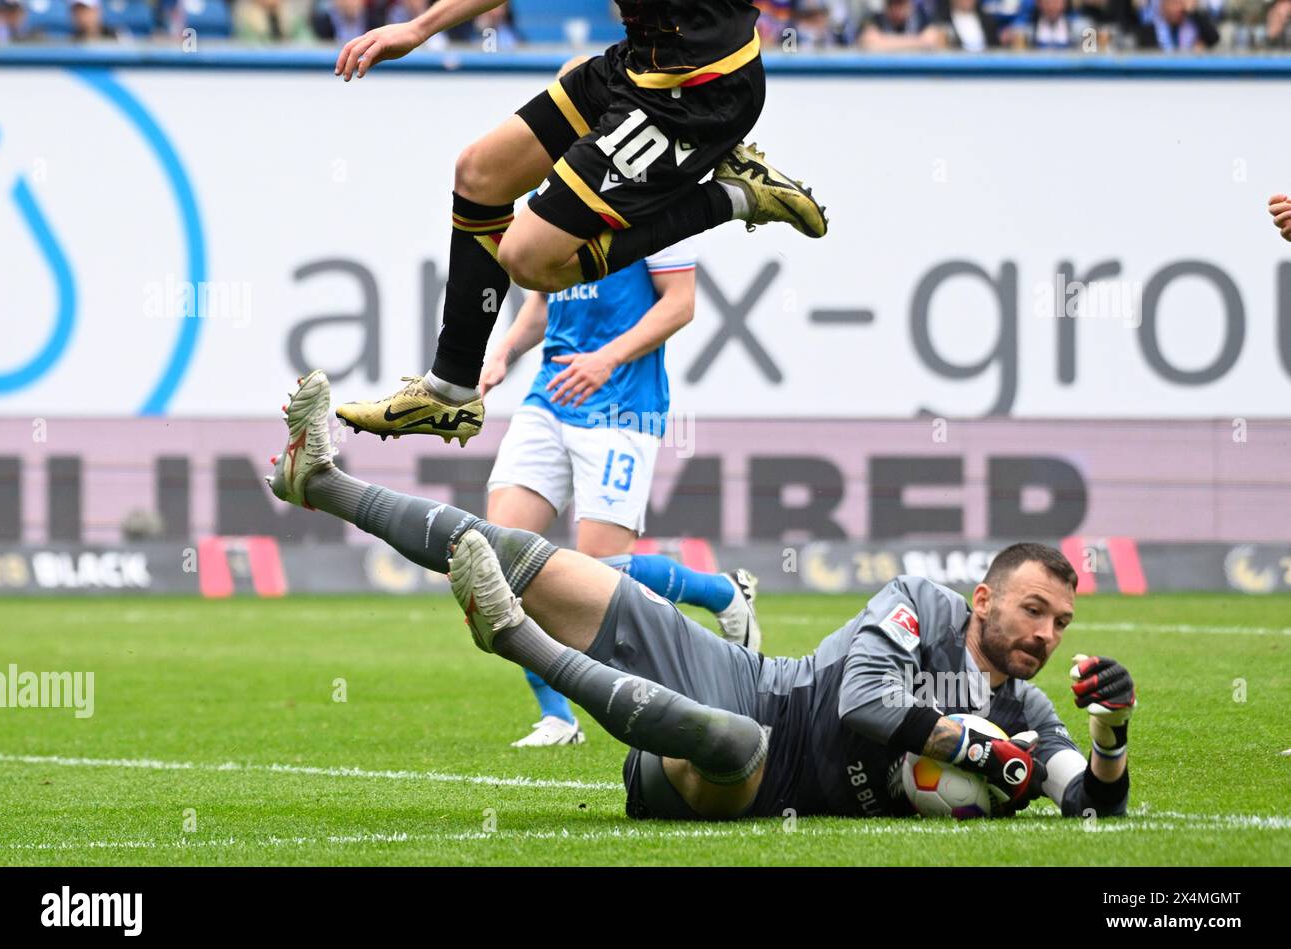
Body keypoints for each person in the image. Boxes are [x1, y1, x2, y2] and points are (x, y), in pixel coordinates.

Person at [267, 371, 1137, 820]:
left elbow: (1088, 803)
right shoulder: (924, 601)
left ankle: (510, 638)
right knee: (528, 553)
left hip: (757, 778)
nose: (1046, 634)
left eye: (1061, 623)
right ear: (984, 598)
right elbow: (870, 703)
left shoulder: (1025, 709)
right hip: (750, 679)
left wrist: (1110, 735)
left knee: (731, 744)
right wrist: (984, 756)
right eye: (1033, 610)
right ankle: (323, 483)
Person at [327, 0, 829, 448]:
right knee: (480, 173)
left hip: (697, 93)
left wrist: (419, 27)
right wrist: (418, 28)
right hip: (640, 68)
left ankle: (733, 196)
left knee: (529, 259)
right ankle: (451, 390)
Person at [482, 161, 760, 746]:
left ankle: (721, 593)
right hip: (549, 398)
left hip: (622, 409)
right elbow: (541, 302)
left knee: (595, 579)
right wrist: (504, 349)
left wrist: (606, 358)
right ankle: (557, 717)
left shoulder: (654, 200)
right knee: (498, 562)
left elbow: (679, 304)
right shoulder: (547, 199)